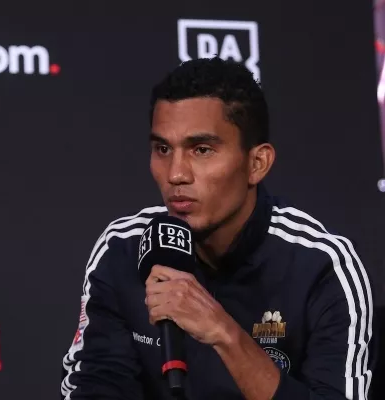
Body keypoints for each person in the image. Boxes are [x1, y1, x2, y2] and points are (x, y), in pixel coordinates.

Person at [59, 56, 378, 400]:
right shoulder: (124, 247)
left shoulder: (322, 266)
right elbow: (96, 385)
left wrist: (223, 332)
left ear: (257, 163)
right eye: (162, 149)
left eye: (202, 150)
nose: (176, 174)